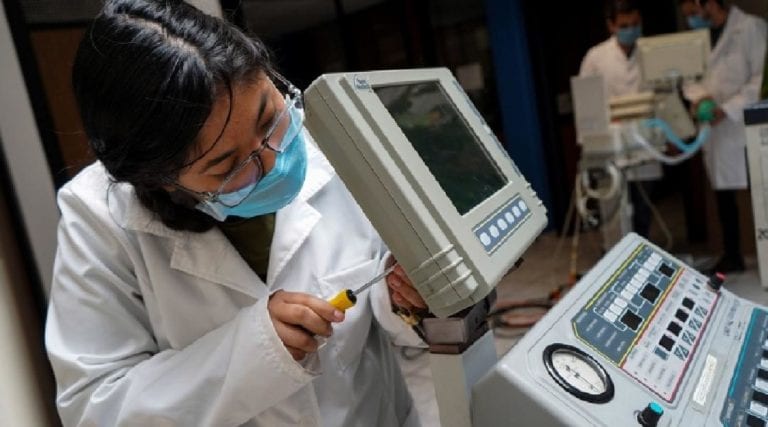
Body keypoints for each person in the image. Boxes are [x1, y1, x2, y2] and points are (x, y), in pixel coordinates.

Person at [44, 0, 432, 425]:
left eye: (268, 120)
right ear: (159, 180)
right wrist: (255, 352)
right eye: (229, 166)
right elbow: (95, 409)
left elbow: (385, 310)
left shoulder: (330, 136)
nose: (273, 160)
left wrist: (402, 299)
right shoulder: (97, 218)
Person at [679, 0, 767, 273]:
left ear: (709, 4)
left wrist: (726, 109)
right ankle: (733, 255)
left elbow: (760, 79)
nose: (691, 20)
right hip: (714, 129)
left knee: (760, 195)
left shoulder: (751, 27)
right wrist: (697, 98)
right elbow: (688, 78)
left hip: (744, 124)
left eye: (693, 13)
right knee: (724, 197)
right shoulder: (697, 38)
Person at [578, 0, 660, 238]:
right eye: (624, 25)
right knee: (615, 211)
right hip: (610, 144)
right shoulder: (595, 57)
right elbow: (586, 105)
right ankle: (616, 258)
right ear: (611, 26)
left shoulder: (651, 51)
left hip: (644, 140)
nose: (631, 30)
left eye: (635, 24)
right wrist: (588, 145)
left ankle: (644, 251)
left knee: (643, 208)